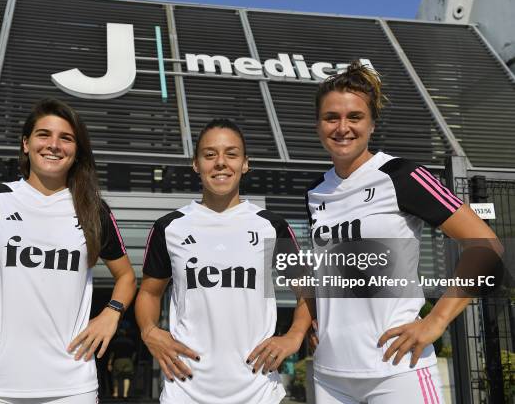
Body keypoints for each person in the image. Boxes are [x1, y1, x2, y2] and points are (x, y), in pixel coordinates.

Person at [0, 98, 137, 403]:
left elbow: (126, 276)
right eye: (44, 134)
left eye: (66, 138)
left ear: (76, 151)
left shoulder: (93, 211)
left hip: (71, 387)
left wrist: (111, 313)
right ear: (26, 144)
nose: (54, 145)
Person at [306, 61, 501, 403]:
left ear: (372, 123)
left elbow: (487, 247)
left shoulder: (401, 175)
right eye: (331, 117)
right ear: (318, 124)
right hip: (330, 374)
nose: (342, 127)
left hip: (396, 368)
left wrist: (436, 321)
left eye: (354, 117)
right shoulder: (315, 192)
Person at [135, 119, 313, 404]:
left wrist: (293, 336)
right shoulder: (169, 227)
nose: (220, 163)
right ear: (196, 164)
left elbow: (307, 290)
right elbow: (148, 292)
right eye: (210, 155)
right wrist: (149, 331)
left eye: (231, 154)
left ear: (245, 164)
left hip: (258, 391)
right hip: (185, 389)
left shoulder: (271, 226)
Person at [107, 328, 136, 398]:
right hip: (128, 360)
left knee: (115, 377)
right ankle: (125, 394)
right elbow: (134, 353)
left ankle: (116, 393)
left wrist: (109, 363)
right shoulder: (131, 342)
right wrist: (132, 360)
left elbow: (112, 354)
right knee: (127, 377)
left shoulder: (115, 342)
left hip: (118, 360)